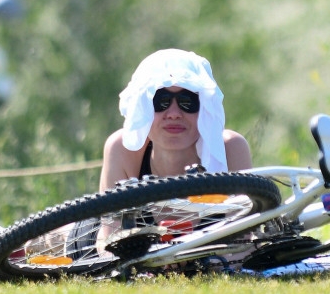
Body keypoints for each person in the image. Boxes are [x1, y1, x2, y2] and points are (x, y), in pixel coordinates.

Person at [98, 48, 252, 192]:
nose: (173, 114)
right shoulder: (123, 150)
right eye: (160, 101)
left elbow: (248, 219)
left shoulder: (231, 149)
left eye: (187, 102)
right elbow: (112, 221)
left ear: (205, 109)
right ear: (142, 109)